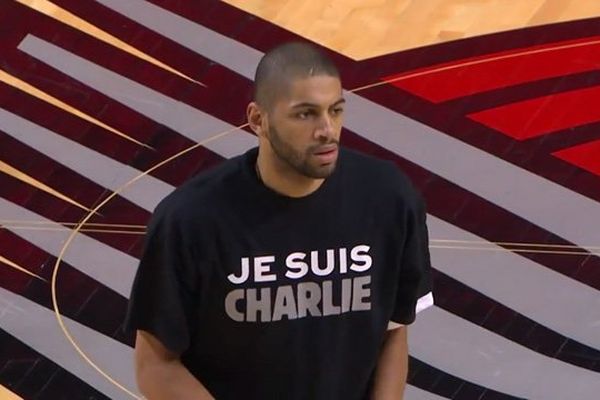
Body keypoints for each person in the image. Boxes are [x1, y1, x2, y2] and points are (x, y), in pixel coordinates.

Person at [125, 41, 434, 400]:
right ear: (258, 119)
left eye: (335, 110)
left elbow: (393, 330)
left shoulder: (389, 198)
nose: (327, 130)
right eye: (305, 114)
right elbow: (156, 365)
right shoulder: (191, 220)